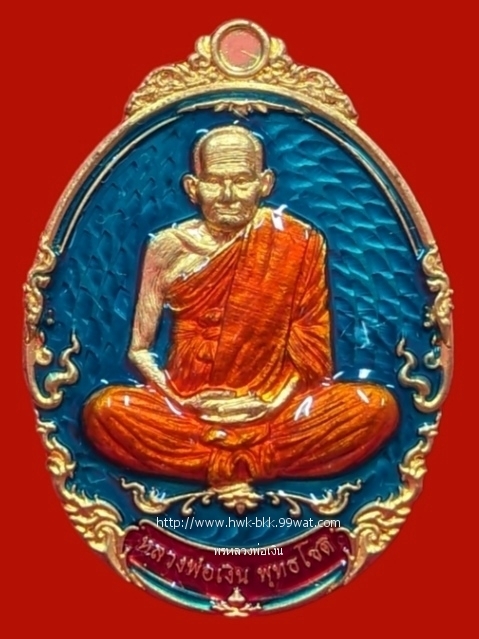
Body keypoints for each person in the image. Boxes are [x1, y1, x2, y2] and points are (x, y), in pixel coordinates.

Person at [83, 125, 399, 486]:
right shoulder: (167, 246)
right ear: (193, 187)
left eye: (242, 181)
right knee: (106, 411)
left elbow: (311, 356)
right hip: (189, 411)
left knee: (373, 407)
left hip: (274, 411)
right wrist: (182, 401)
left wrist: (269, 405)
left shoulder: (300, 241)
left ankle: (218, 462)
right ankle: (253, 461)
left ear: (265, 184)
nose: (228, 195)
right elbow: (139, 350)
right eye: (215, 182)